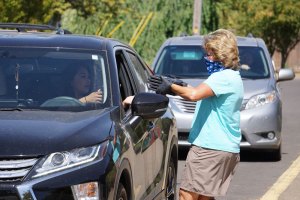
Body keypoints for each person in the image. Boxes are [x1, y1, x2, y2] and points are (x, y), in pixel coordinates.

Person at [150, 29, 244, 200]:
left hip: (209, 148)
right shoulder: (233, 77)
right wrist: (178, 84)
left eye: (210, 54)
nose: (207, 58)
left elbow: (193, 96)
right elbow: (197, 91)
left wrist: (169, 87)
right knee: (203, 196)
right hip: (225, 148)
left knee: (187, 194)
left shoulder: (221, 78)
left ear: (221, 54)